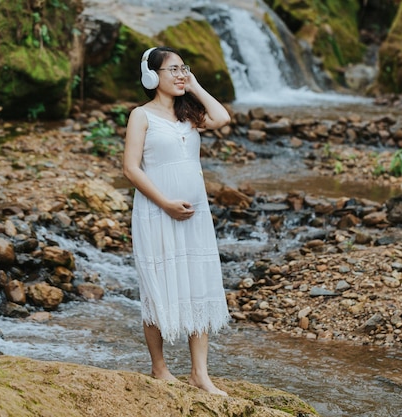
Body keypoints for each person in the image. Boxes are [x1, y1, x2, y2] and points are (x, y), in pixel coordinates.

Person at [123, 46, 231, 396]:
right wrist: (166, 203)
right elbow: (131, 168)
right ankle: (160, 369)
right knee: (158, 286)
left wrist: (194, 85)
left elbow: (222, 117)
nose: (181, 74)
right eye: (173, 70)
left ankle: (200, 373)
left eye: (184, 68)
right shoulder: (141, 116)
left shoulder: (189, 114)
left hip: (195, 217)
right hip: (156, 212)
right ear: (152, 76)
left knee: (196, 285)